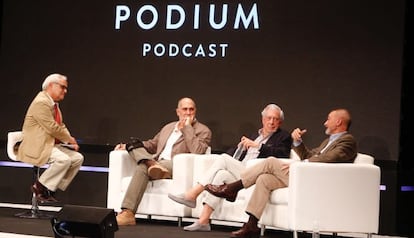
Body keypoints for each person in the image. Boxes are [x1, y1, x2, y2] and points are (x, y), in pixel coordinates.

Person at [204, 108, 357, 238]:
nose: (325, 122)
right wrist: (297, 142)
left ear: (338, 122)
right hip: (306, 174)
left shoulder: (348, 141)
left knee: (270, 161)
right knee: (264, 179)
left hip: (315, 180)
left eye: (328, 119)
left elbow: (330, 157)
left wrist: (302, 164)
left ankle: (233, 188)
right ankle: (252, 225)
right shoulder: (327, 141)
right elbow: (309, 156)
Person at [168, 103, 292, 231]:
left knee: (223, 159)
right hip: (241, 171)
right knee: (221, 174)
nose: (271, 122)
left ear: (280, 122)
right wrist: (240, 148)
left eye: (275, 119)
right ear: (263, 119)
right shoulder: (254, 135)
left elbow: (280, 154)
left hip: (256, 173)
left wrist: (257, 146)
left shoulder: (284, 137)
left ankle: (193, 193)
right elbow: (233, 153)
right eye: (269, 118)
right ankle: (203, 221)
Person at [114, 97, 212, 226]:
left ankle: (128, 213)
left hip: (176, 165)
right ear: (178, 112)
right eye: (185, 109)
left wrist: (187, 129)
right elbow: (152, 144)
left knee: (142, 167)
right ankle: (151, 164)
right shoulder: (169, 127)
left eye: (191, 109)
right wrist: (128, 146)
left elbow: (198, 151)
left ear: (195, 111)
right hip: (158, 162)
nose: (188, 113)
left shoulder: (203, 130)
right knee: (133, 146)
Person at [17, 73, 84, 204]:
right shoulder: (41, 102)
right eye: (62, 87)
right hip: (36, 145)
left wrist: (71, 139)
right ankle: (39, 187)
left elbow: (60, 125)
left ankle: (50, 188)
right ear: (51, 86)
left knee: (77, 158)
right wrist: (69, 140)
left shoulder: (53, 104)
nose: (65, 91)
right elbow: (52, 127)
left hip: (49, 144)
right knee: (63, 160)